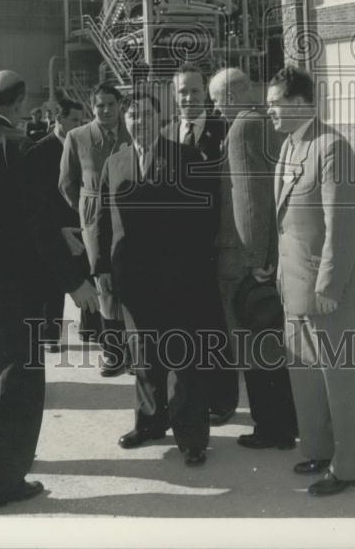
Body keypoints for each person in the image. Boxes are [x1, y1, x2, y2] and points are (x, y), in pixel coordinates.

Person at [0, 71, 99, 509]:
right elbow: (39, 228)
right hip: (12, 289)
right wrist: (75, 283)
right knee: (16, 386)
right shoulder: (20, 149)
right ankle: (5, 483)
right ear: (16, 104)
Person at [93, 90, 219, 466]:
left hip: (179, 279)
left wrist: (194, 270)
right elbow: (102, 221)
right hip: (133, 280)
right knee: (144, 357)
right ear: (124, 121)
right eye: (132, 116)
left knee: (184, 362)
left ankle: (191, 437)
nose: (138, 122)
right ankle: (149, 424)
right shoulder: (115, 162)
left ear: (160, 119)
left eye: (145, 115)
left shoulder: (185, 157)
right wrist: (101, 269)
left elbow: (205, 219)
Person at [267, 66, 355, 497]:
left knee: (342, 381)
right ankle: (316, 449)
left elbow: (343, 224)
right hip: (294, 285)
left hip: (331, 290)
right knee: (307, 378)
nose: (270, 113)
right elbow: (286, 224)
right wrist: (280, 275)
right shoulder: (290, 146)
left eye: (275, 105)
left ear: (298, 104)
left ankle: (348, 467)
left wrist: (328, 287)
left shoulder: (332, 148)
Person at [209, 68, 298, 451]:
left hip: (245, 258)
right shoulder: (268, 124)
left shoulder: (243, 128)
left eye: (216, 100)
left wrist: (255, 259)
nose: (215, 108)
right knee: (273, 347)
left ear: (231, 95)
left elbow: (249, 200)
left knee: (254, 349)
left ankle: (271, 429)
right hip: (272, 252)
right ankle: (286, 423)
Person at [162, 63, 238, 427]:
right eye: (182, 92)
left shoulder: (227, 132)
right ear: (174, 96)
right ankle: (183, 402)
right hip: (174, 254)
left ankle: (222, 400)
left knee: (214, 327)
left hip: (215, 247)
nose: (188, 98)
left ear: (205, 95)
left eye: (194, 91)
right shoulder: (163, 135)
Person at [59, 81, 131, 375]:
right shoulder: (77, 137)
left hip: (129, 217)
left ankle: (136, 351)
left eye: (110, 104)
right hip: (95, 221)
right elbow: (66, 183)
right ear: (92, 107)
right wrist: (85, 213)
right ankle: (113, 353)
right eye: (99, 105)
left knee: (131, 281)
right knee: (104, 284)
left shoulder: (132, 132)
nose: (105, 110)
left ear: (120, 105)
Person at [28, 94, 87, 351]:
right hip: (55, 226)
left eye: (82, 119)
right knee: (52, 284)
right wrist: (56, 228)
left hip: (81, 222)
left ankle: (90, 329)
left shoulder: (85, 145)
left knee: (87, 276)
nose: (79, 124)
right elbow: (40, 196)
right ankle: (51, 335)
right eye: (74, 119)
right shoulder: (40, 149)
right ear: (58, 118)